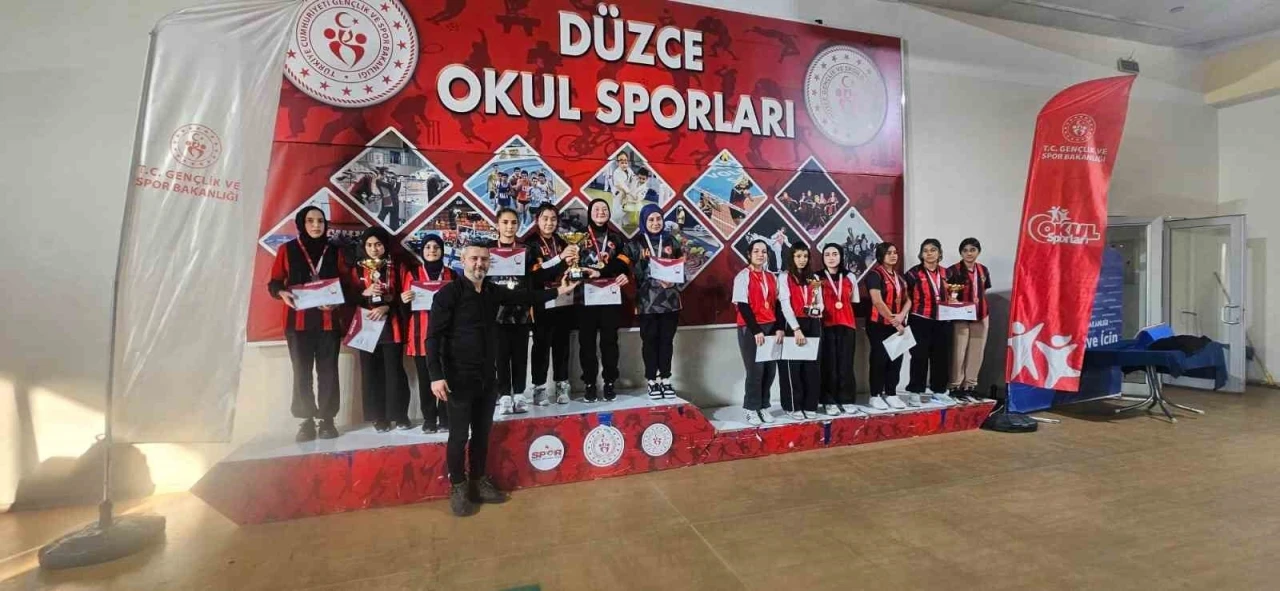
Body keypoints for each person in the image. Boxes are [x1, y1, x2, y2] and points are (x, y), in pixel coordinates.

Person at [426, 240, 579, 517]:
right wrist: (436, 376)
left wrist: (559, 291)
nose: (479, 264)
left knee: (482, 434)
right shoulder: (447, 294)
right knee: (458, 436)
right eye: (474, 258)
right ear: (463, 260)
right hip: (458, 378)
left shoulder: (492, 291)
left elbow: (525, 297)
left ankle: (478, 481)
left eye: (484, 259)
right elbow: (433, 338)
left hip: (487, 376)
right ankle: (458, 486)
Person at [267, 206, 346, 442]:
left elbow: (346, 284)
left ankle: (327, 420)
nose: (316, 225)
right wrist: (281, 293)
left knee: (328, 371)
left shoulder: (335, 251)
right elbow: (274, 283)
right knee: (301, 372)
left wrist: (336, 302)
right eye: (310, 221)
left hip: (328, 322)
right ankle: (307, 420)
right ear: (302, 224)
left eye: (320, 221)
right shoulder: (287, 250)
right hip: (297, 323)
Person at [491, 208, 564, 414]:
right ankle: (504, 395)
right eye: (505, 222)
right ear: (497, 225)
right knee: (500, 356)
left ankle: (519, 393)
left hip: (521, 310)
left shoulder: (527, 251)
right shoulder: (489, 250)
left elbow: (538, 277)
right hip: (495, 312)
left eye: (513, 222)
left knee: (520, 355)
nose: (509, 227)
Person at [350, 228, 412, 431]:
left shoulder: (398, 267)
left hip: (391, 325)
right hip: (366, 327)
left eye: (378, 244)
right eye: (369, 245)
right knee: (371, 372)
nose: (374, 249)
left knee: (395, 372)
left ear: (385, 245)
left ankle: (400, 415)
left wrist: (387, 306)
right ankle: (379, 417)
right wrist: (364, 293)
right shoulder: (357, 269)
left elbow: (406, 295)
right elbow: (348, 297)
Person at [623, 204, 682, 400]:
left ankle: (665, 378)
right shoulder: (635, 244)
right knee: (649, 342)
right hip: (646, 302)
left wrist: (674, 280)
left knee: (666, 342)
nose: (656, 223)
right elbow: (623, 267)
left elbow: (683, 268)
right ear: (644, 221)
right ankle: (651, 380)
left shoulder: (672, 241)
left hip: (670, 302)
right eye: (651, 220)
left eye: (658, 219)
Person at [577, 199, 631, 402]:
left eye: (604, 209)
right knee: (587, 343)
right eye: (596, 209)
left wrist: (607, 272)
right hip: (585, 297)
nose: (600, 212)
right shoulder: (579, 237)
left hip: (610, 296)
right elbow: (572, 265)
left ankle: (609, 382)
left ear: (609, 213)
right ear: (590, 212)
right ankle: (589, 383)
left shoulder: (617, 238)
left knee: (610, 342)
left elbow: (623, 265)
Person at [528, 204, 579, 406]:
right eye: (545, 218)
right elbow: (537, 275)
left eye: (553, 219)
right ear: (537, 220)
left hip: (564, 299)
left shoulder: (562, 241)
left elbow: (567, 267)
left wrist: (573, 264)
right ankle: (539, 388)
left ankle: (561, 384)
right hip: (542, 301)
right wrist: (561, 258)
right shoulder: (530, 244)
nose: (549, 223)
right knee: (541, 346)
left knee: (562, 345)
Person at [401, 235, 452, 433]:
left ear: (442, 250)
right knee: (425, 380)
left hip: (446, 336)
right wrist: (404, 300)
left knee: (446, 377)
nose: (432, 250)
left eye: (436, 247)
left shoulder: (451, 274)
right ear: (422, 251)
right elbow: (405, 308)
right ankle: (429, 419)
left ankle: (445, 418)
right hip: (419, 335)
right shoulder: (412, 273)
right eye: (428, 247)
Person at [733, 240, 785, 425]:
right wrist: (756, 330)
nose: (760, 255)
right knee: (755, 371)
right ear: (749, 254)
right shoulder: (742, 277)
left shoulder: (771, 277)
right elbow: (743, 305)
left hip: (770, 327)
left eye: (764, 251)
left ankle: (763, 406)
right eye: (756, 251)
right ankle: (751, 408)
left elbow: (778, 304)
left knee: (769, 371)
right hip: (751, 328)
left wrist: (779, 327)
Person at [903, 239, 955, 405]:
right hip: (920, 319)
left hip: (943, 320)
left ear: (939, 253)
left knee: (941, 357)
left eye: (933, 250)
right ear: (921, 254)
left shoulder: (948, 273)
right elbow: (906, 297)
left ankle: (939, 390)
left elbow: (956, 295)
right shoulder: (913, 274)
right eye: (925, 250)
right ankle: (915, 392)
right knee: (919, 356)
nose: (929, 253)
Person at [776, 244, 823, 419]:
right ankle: (793, 406)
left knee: (812, 367)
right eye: (798, 256)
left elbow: (820, 302)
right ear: (792, 258)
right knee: (792, 368)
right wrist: (796, 329)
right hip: (793, 323)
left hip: (813, 322)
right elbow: (785, 305)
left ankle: (810, 405)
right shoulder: (784, 277)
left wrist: (817, 310)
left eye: (805, 256)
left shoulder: (814, 277)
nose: (802, 260)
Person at [866, 242, 911, 411]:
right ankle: (875, 395)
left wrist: (901, 316)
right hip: (878, 324)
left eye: (895, 252)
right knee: (879, 359)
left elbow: (909, 299)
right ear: (880, 256)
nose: (893, 255)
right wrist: (894, 321)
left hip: (897, 323)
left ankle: (891, 393)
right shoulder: (874, 275)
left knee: (896, 359)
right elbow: (877, 301)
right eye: (888, 253)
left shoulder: (900, 277)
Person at [947, 237, 992, 403]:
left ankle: (970, 385)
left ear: (978, 252)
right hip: (960, 316)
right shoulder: (953, 270)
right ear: (961, 253)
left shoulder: (983, 270)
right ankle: (955, 386)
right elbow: (948, 293)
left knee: (977, 351)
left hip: (980, 314)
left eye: (972, 250)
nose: (969, 253)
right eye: (965, 250)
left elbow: (983, 291)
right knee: (959, 351)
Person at [818, 243, 860, 415]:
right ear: (822, 258)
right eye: (827, 254)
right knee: (828, 365)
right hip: (825, 325)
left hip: (847, 324)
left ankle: (846, 399)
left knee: (846, 364)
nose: (831, 257)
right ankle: (828, 401)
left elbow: (855, 300)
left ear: (841, 256)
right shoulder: (817, 277)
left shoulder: (850, 276)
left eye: (835, 254)